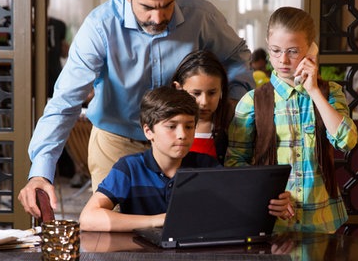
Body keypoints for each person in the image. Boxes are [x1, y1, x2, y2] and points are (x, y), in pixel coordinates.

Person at [18, 0, 254, 219]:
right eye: (148, 7)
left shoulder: (201, 15)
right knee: (114, 235)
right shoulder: (100, 26)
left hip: (179, 140)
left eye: (167, 5)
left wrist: (233, 103)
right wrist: (40, 171)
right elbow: (65, 101)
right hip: (116, 140)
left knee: (186, 225)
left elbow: (236, 57)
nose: (158, 17)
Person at [79, 86, 292, 232]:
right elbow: (88, 218)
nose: (182, 134)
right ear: (148, 131)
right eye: (171, 126)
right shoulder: (129, 168)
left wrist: (274, 204)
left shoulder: (207, 166)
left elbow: (238, 211)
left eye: (189, 126)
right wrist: (158, 220)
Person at [224, 7, 358, 233]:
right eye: (275, 50)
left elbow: (346, 141)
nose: (283, 60)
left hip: (322, 221)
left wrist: (314, 91)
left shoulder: (330, 93)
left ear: (311, 50)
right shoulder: (251, 102)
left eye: (293, 51)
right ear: (267, 45)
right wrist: (266, 194)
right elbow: (235, 163)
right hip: (271, 224)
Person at [171, 50, 231, 164]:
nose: (204, 102)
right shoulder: (164, 127)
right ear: (178, 88)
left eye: (212, 93)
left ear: (221, 89)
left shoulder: (232, 124)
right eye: (196, 93)